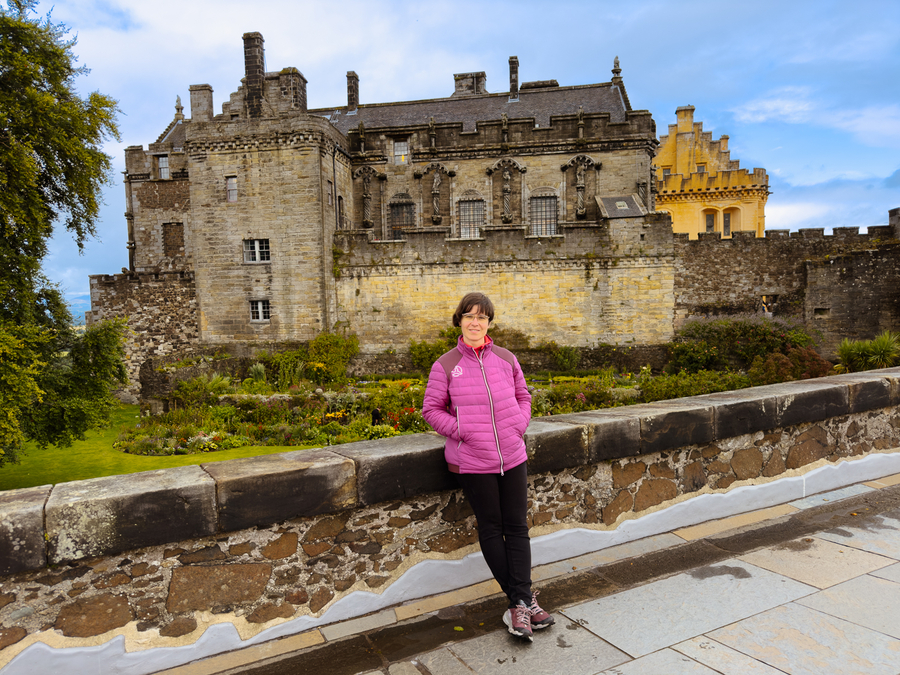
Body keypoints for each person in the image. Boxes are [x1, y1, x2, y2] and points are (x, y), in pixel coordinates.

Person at [422, 292, 554, 641]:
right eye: (469, 316)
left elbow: (523, 395)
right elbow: (431, 410)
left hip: (512, 455)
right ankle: (522, 602)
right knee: (493, 529)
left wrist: (518, 424)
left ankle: (520, 601)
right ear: (459, 321)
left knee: (518, 527)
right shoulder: (446, 365)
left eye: (481, 317)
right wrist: (462, 431)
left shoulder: (507, 359)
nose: (475, 322)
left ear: (489, 323)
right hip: (474, 460)